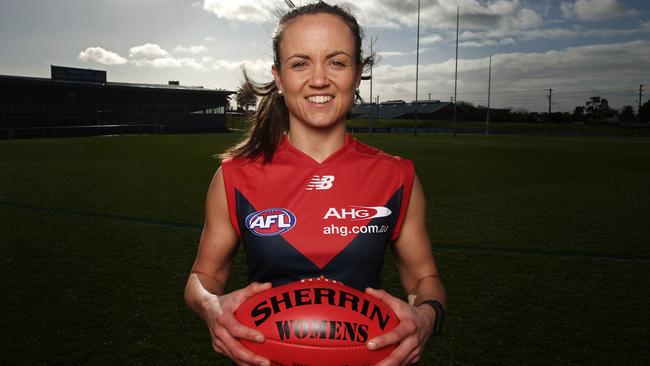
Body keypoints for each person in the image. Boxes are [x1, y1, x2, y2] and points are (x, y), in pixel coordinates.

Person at [184, 2, 446, 365]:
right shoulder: (235, 176)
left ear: (357, 74)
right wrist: (210, 307)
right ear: (279, 77)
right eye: (300, 63)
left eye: (337, 62)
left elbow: (423, 279)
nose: (319, 79)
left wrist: (427, 317)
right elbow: (203, 277)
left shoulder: (396, 176)